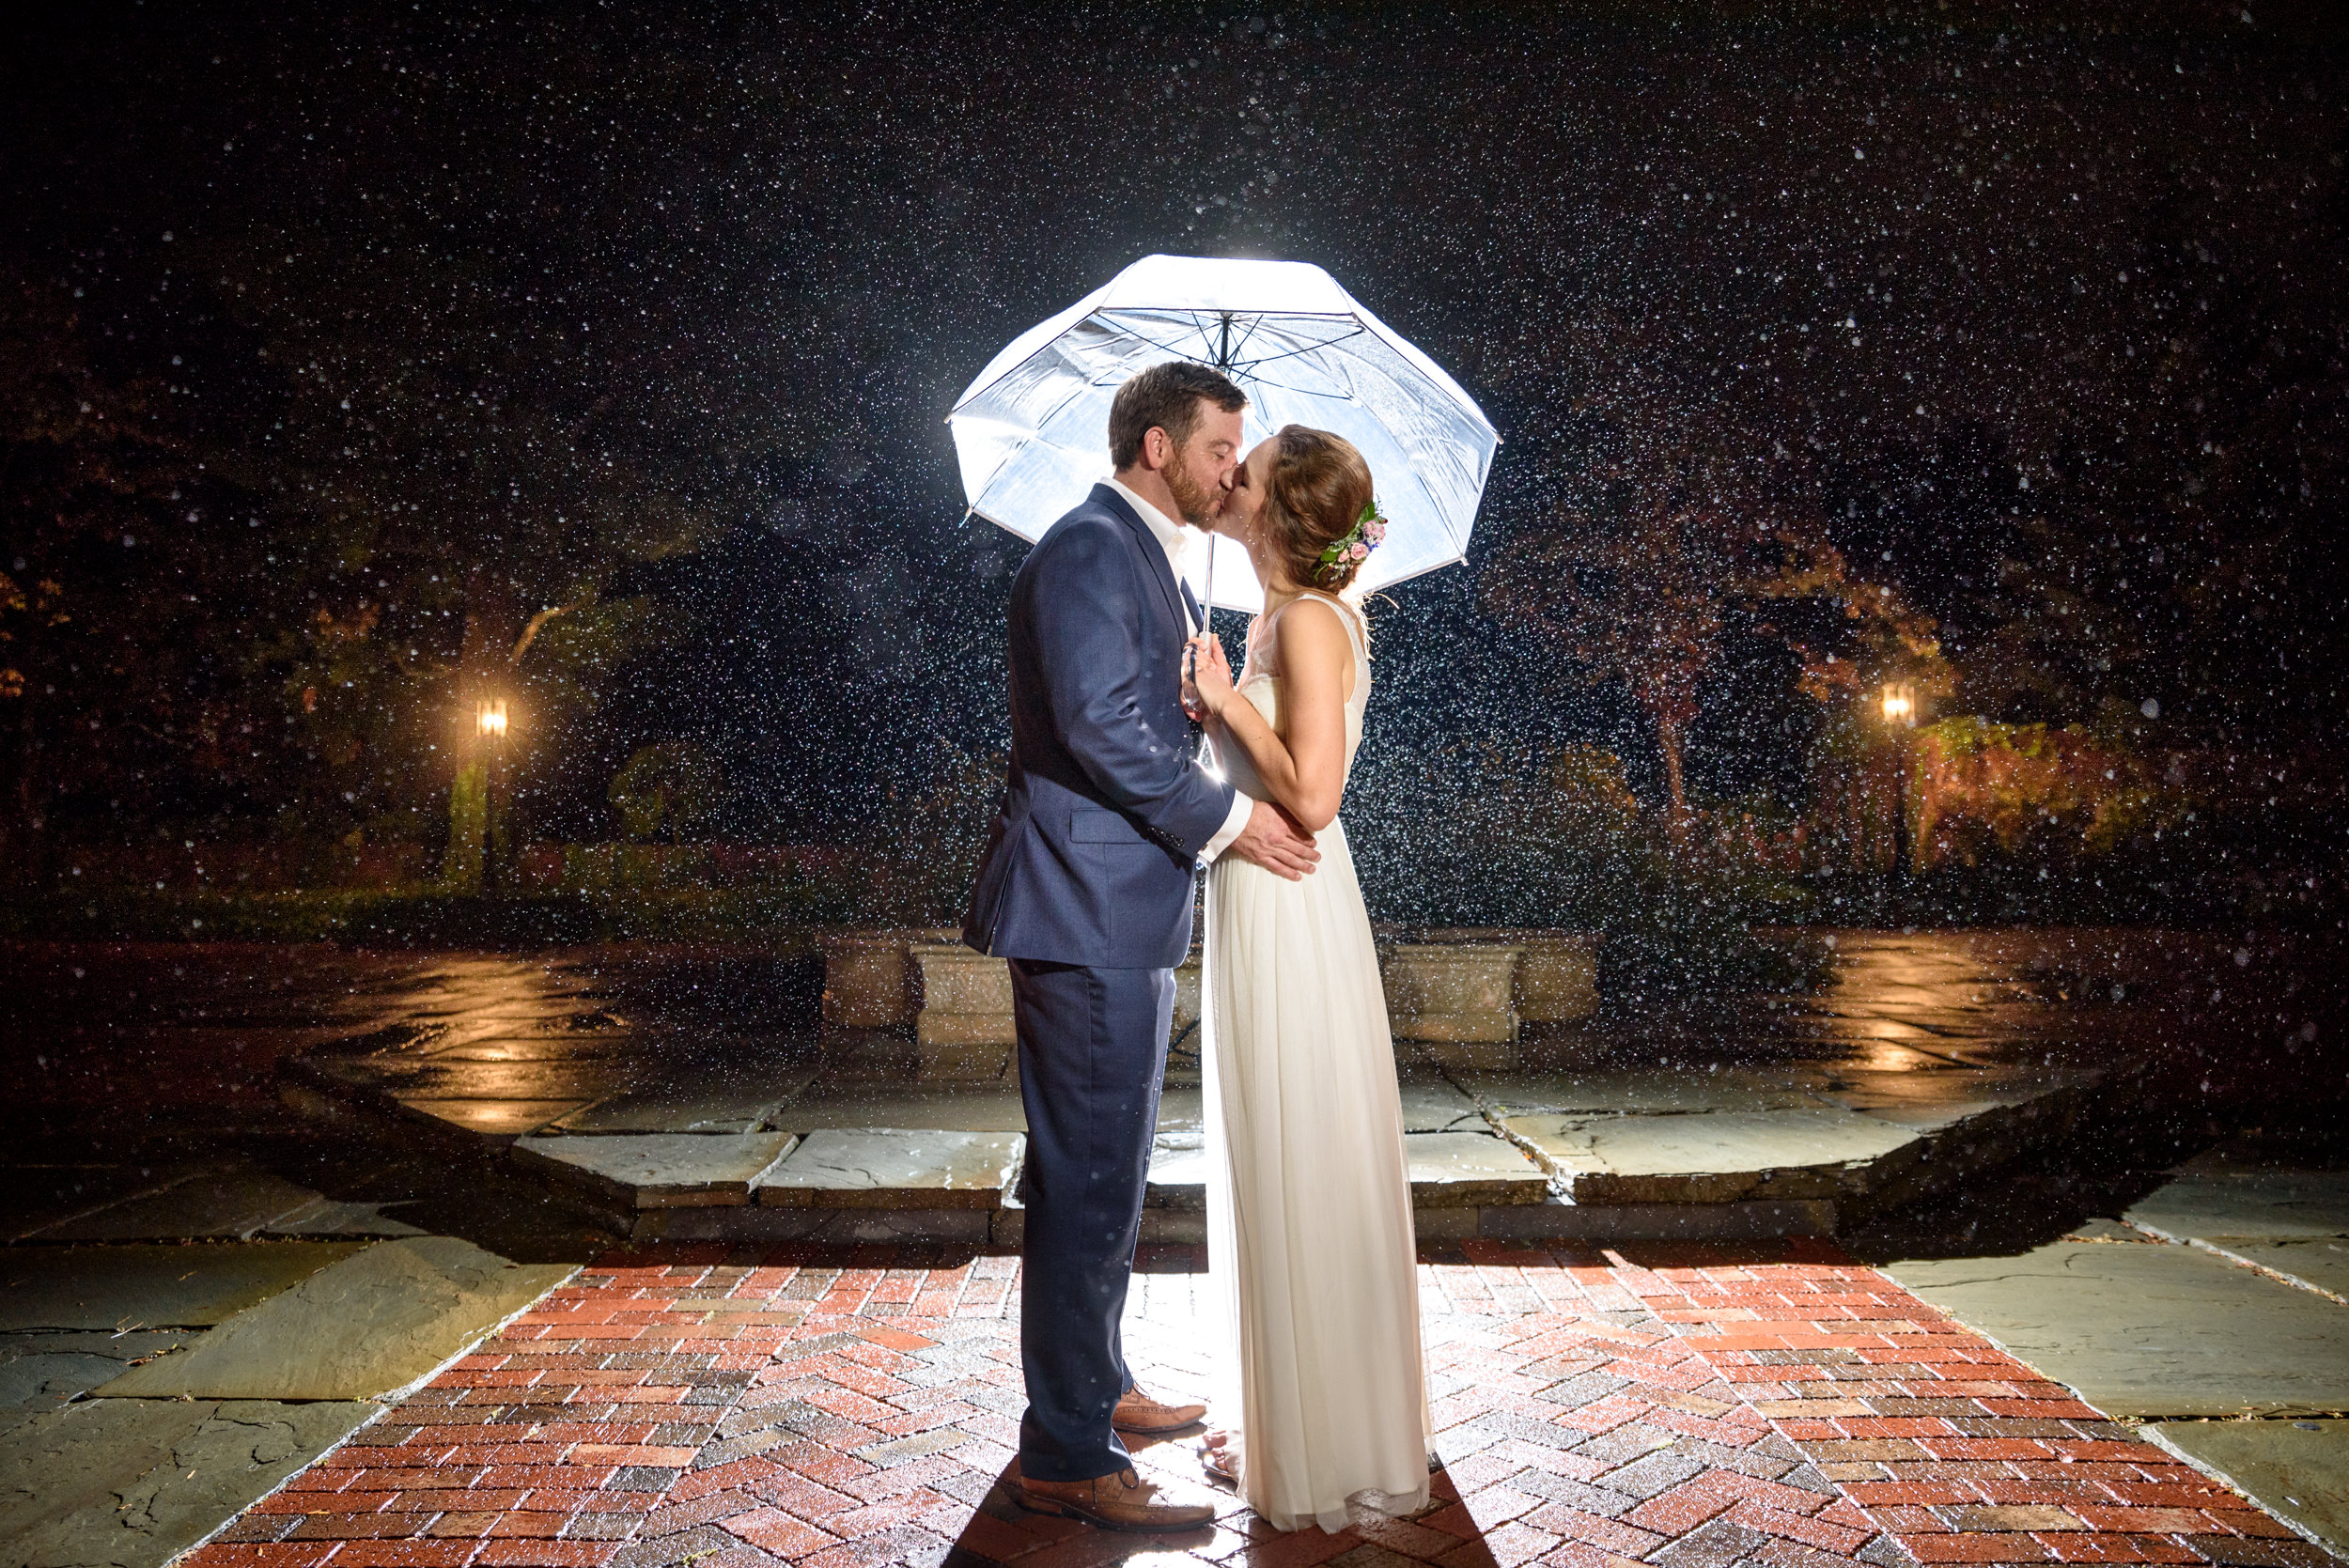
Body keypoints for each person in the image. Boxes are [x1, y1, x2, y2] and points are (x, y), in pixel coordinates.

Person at [961, 361, 1324, 1532]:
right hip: (1082, 910)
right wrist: (1230, 821)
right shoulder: (1087, 548)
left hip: (1114, 909)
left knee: (1109, 1176)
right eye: (1224, 448)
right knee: (1085, 1180)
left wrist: (1206, 694)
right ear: (1161, 448)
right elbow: (1095, 727)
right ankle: (1063, 1448)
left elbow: (1126, 710)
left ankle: (1098, 1387)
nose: (1237, 471)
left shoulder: (1142, 558)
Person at [1180, 425, 1432, 1532]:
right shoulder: (1277, 617)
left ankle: (1321, 1441)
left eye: (1249, 461)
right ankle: (1292, 1412)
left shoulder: (1313, 624)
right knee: (1274, 1151)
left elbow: (1315, 796)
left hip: (1293, 904)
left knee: (1298, 1148)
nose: (1226, 474)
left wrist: (1229, 701)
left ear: (1275, 509)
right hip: (1255, 904)